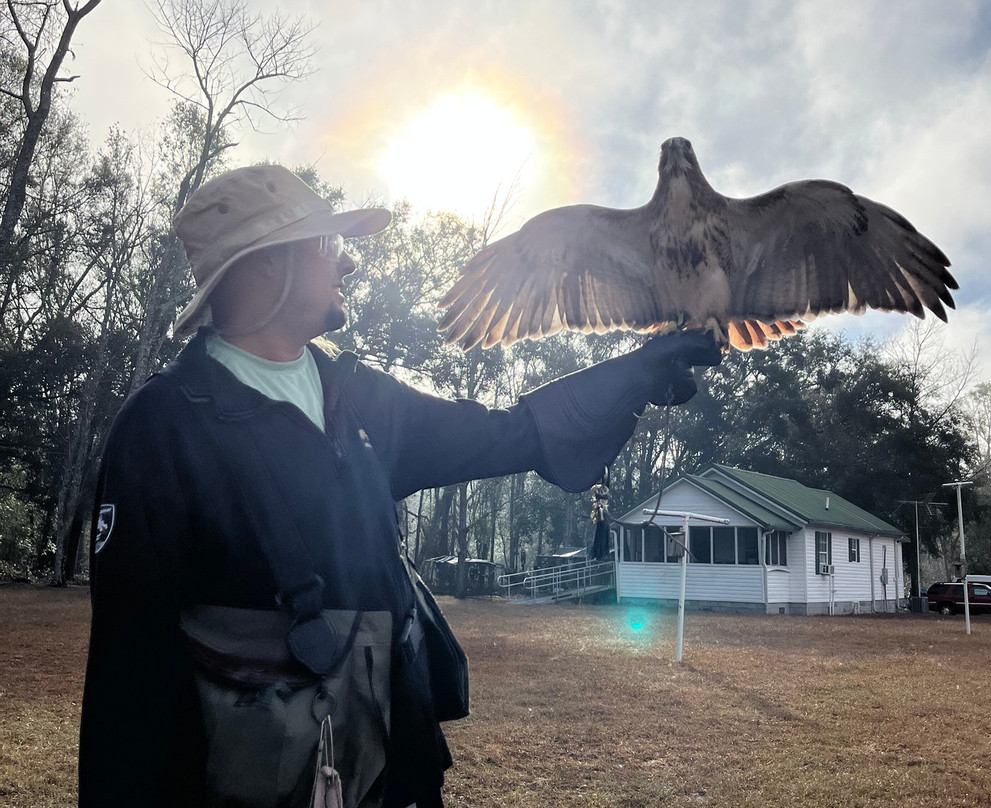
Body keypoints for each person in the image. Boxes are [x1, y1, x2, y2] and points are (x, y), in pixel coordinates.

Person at [78, 165, 722, 808]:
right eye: (328, 243)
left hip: (397, 776)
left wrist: (635, 374)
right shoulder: (163, 427)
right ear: (267, 264)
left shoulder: (359, 396)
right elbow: (129, 672)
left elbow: (507, 434)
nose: (349, 262)